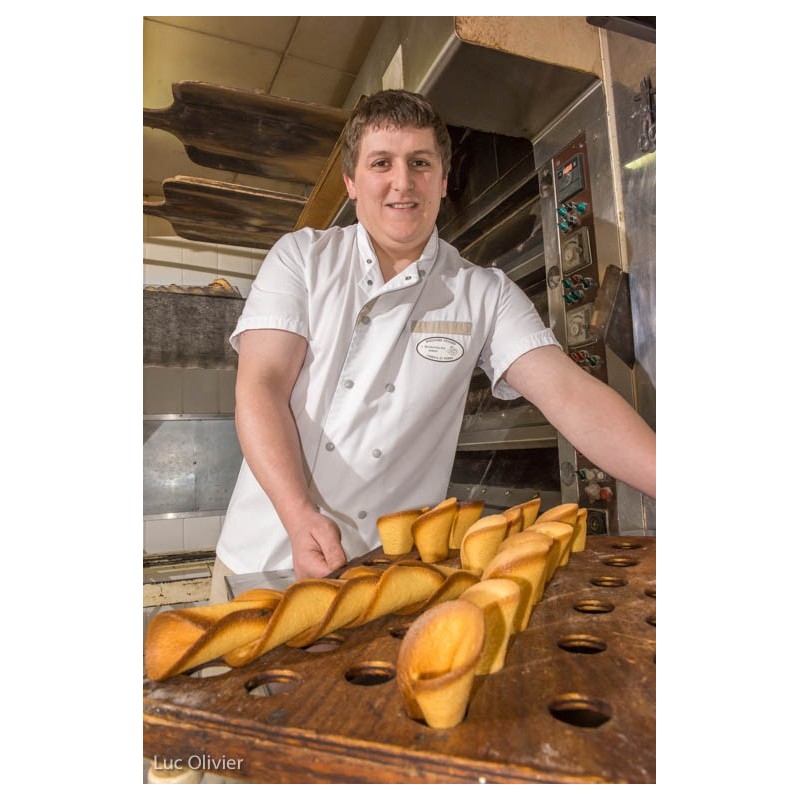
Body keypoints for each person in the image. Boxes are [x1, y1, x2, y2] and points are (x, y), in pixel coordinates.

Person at [209, 89, 655, 603]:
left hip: (386, 579)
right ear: (352, 182)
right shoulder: (303, 260)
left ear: (443, 180)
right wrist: (297, 512)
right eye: (382, 163)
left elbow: (572, 397)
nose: (403, 182)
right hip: (263, 560)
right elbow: (261, 387)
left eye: (420, 162)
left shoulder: (484, 293)